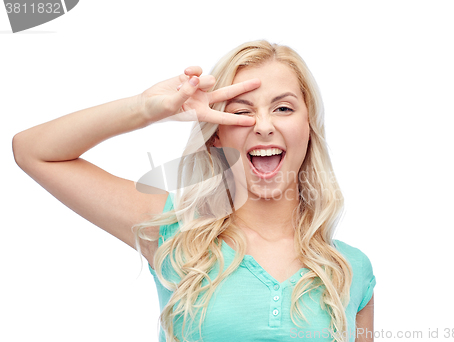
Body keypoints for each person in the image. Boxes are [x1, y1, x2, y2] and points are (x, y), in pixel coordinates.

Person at [13, 40, 375, 342]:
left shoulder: (349, 269)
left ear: (308, 126)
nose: (264, 126)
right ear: (216, 133)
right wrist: (144, 109)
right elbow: (34, 152)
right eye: (241, 111)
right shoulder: (172, 232)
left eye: (283, 108)